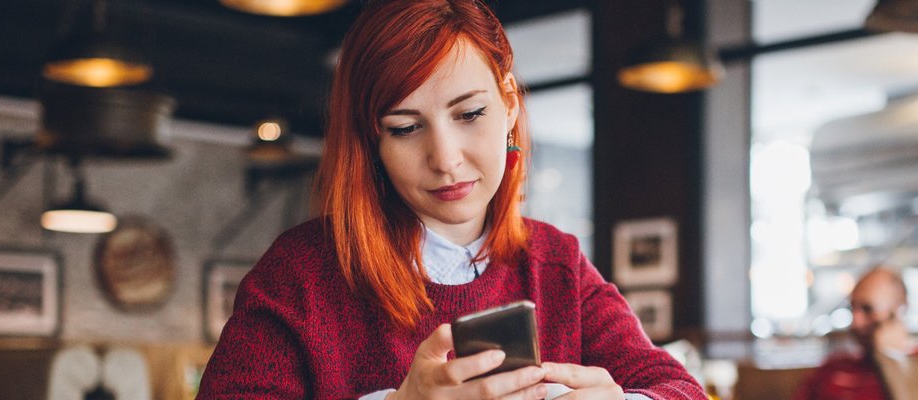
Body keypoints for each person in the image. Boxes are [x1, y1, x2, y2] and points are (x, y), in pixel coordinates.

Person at [197, 1, 705, 399]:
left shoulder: (555, 263)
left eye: (469, 115)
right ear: (370, 142)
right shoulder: (300, 274)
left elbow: (681, 390)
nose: (445, 159)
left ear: (508, 105)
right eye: (405, 128)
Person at [794, 267, 918, 400]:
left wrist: (890, 356)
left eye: (867, 309)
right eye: (852, 308)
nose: (856, 322)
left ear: (900, 310)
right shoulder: (833, 368)